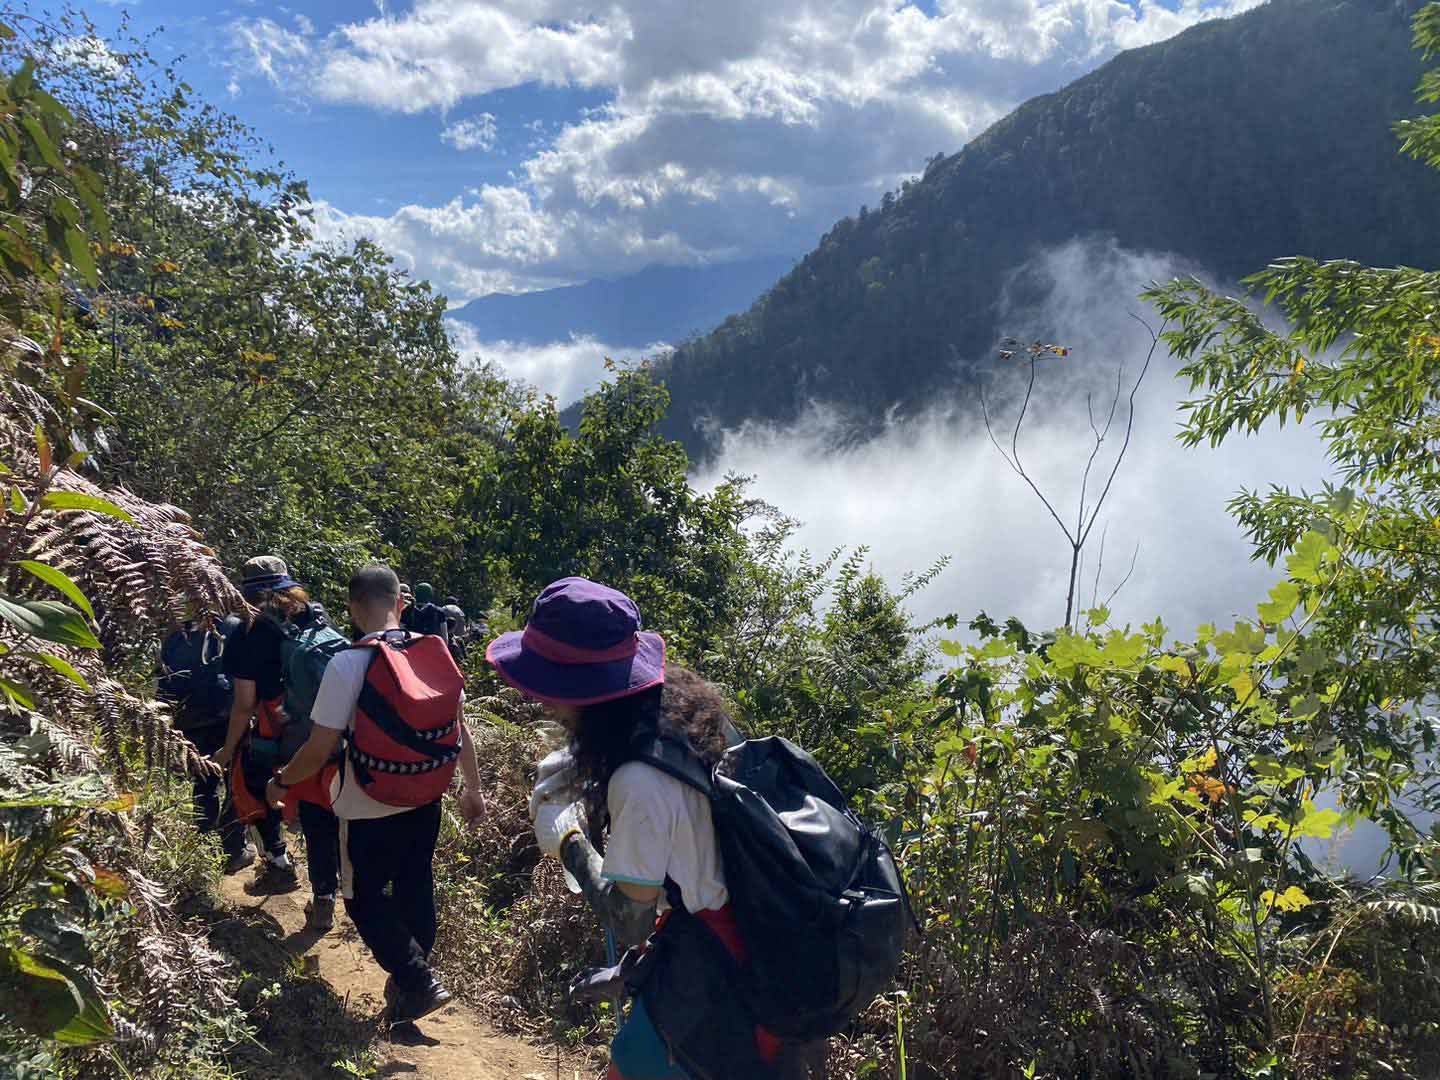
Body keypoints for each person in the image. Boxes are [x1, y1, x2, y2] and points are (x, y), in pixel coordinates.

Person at [488, 577, 797, 1080]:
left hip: (721, 973)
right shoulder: (680, 710)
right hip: (756, 941)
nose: (540, 701)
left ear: (587, 693)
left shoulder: (639, 780)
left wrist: (565, 838)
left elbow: (629, 918)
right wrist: (582, 766)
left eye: (549, 687)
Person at [265, 563, 488, 1025]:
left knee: (362, 895)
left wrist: (282, 781)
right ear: (400, 603)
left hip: (366, 802)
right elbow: (458, 728)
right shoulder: (436, 653)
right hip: (426, 796)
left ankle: (416, 979)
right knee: (414, 883)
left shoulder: (349, 662)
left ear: (351, 608)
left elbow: (319, 747)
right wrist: (473, 788)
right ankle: (410, 989)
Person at [212, 556, 341, 927]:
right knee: (319, 812)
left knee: (254, 787)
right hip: (318, 731)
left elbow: (244, 704)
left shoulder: (245, 630)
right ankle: (326, 897)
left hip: (272, 736)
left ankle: (278, 863)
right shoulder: (314, 616)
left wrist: (227, 747)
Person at [157, 613, 264, 873]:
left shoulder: (175, 633)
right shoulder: (235, 626)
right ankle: (233, 850)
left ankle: (203, 849)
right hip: (227, 719)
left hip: (189, 720)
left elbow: (163, 683)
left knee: (203, 783)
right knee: (233, 783)